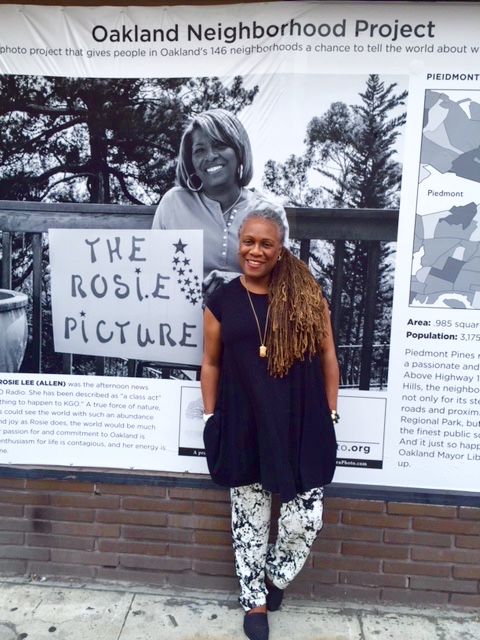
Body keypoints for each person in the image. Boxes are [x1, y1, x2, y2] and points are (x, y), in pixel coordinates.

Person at [200, 209, 339, 640]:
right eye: (249, 241)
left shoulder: (306, 295)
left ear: (280, 250)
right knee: (249, 520)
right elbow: (210, 363)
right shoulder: (222, 301)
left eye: (266, 244)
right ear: (238, 243)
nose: (255, 251)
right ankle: (254, 601)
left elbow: (328, 356)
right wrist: (210, 417)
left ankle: (275, 576)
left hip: (302, 421)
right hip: (244, 422)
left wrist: (331, 412)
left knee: (306, 518)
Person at [152, 109, 289, 299]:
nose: (210, 156)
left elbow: (282, 286)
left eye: (219, 145)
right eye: (200, 150)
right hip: (184, 316)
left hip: (249, 317)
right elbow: (153, 272)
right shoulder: (174, 203)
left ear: (239, 150)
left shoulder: (270, 212)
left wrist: (237, 285)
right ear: (191, 162)